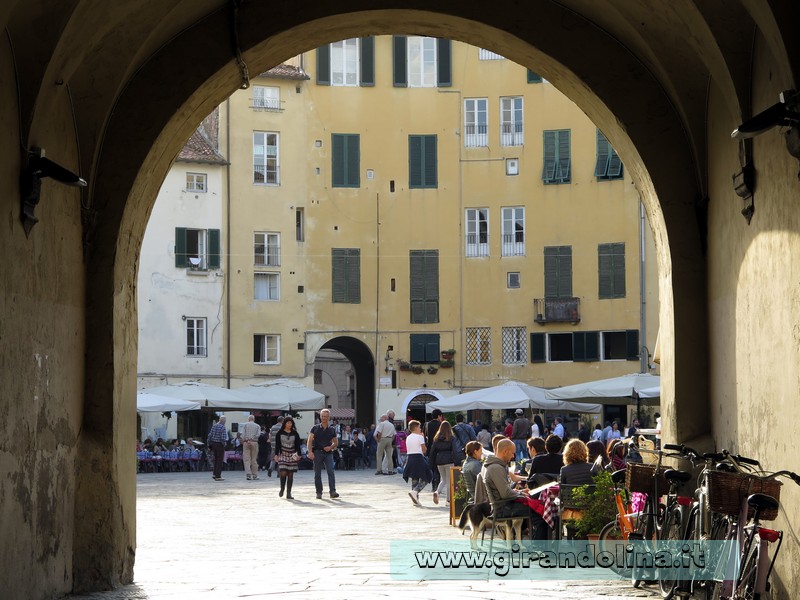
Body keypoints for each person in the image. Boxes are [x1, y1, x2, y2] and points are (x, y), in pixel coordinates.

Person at [308, 408, 340, 499]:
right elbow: (309, 441)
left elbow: (336, 442)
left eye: (325, 416)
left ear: (328, 417)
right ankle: (319, 492)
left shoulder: (332, 429)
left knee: (331, 471)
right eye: (322, 416)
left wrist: (330, 447)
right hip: (317, 452)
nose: (324, 418)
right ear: (320, 417)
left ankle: (332, 491)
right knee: (317, 473)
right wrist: (310, 452)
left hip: (328, 453)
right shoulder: (315, 428)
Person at [404, 420, 433, 505]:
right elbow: (424, 450)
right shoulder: (419, 437)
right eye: (419, 427)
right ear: (416, 428)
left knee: (414, 477)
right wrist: (423, 439)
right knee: (428, 475)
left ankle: (415, 499)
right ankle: (415, 491)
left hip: (410, 457)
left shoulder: (408, 437)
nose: (420, 429)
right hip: (418, 458)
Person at [274, 416, 302, 499]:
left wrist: (299, 454)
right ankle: (282, 488)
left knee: (290, 474)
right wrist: (276, 454)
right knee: (283, 472)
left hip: (292, 455)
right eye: (288, 423)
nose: (289, 424)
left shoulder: (295, 433)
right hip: (283, 454)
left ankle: (288, 493)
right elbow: (277, 445)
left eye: (291, 423)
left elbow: (298, 445)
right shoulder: (280, 433)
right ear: (285, 424)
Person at [424, 409, 445, 491]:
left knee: (432, 468)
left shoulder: (427, 425)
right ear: (439, 416)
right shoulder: (441, 425)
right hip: (439, 449)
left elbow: (424, 436)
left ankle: (433, 485)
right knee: (438, 469)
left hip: (430, 448)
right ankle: (437, 485)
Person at [206, 416, 228, 482]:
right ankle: (218, 476)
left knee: (215, 460)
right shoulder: (223, 427)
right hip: (219, 445)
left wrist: (209, 444)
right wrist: (224, 445)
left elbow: (209, 436)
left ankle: (214, 474)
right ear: (223, 421)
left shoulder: (214, 426)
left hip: (213, 444)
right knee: (219, 460)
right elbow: (223, 438)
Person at [239, 415, 261, 481]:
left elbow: (242, 434)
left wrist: (247, 439)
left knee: (246, 459)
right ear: (253, 419)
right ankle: (255, 475)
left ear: (248, 419)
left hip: (246, 442)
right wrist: (252, 438)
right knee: (254, 459)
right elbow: (258, 434)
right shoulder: (257, 426)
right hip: (254, 442)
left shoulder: (245, 425)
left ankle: (248, 474)